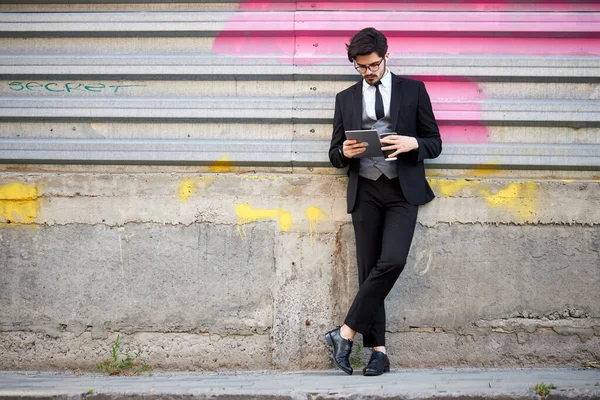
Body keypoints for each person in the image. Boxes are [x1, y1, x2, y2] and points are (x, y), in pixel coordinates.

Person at [325, 27, 442, 376]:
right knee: (368, 271)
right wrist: (343, 152)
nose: (368, 72)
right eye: (361, 68)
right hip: (365, 191)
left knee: (391, 262)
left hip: (401, 190)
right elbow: (334, 153)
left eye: (373, 65)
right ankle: (378, 352)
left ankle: (343, 333)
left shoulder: (414, 90)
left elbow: (434, 142)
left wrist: (412, 144)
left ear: (386, 56)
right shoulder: (345, 98)